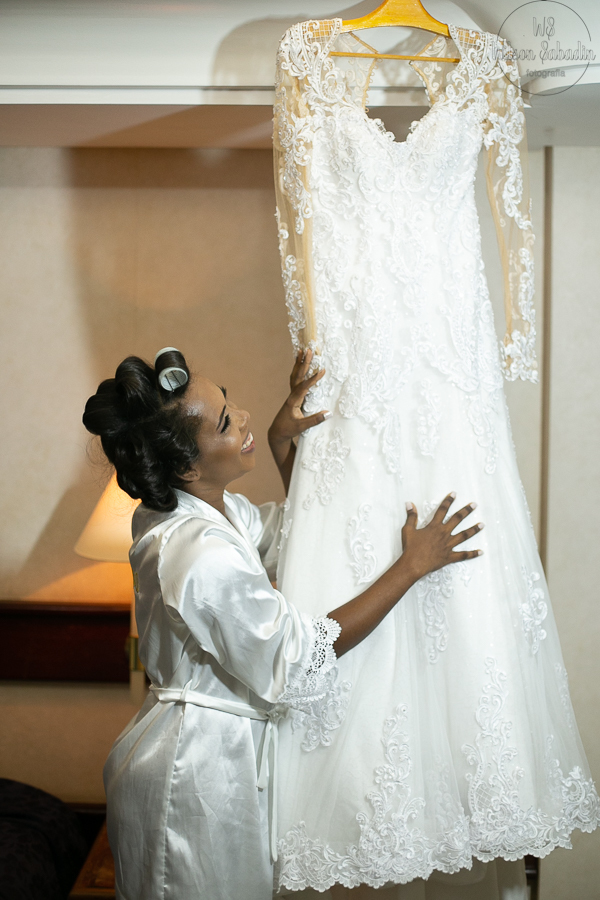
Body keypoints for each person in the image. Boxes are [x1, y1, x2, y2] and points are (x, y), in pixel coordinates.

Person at [82, 346, 483, 900]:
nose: (242, 415)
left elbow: (301, 540)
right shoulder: (196, 553)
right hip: (193, 767)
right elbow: (296, 657)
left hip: (223, 759)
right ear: (187, 467)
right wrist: (410, 568)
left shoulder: (208, 511)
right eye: (225, 422)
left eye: (231, 402)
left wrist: (280, 445)